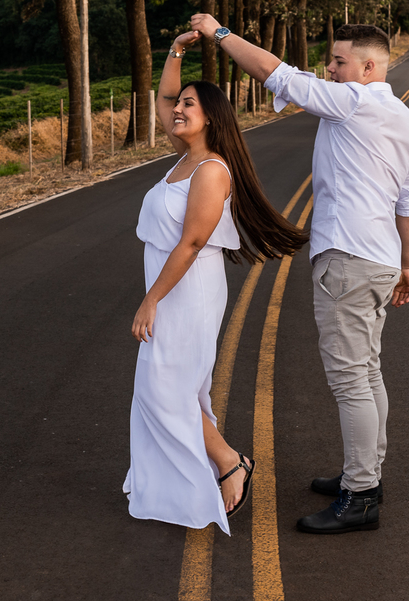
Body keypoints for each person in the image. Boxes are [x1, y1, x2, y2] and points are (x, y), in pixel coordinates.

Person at [189, 14, 409, 535]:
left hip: (347, 259)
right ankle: (367, 475)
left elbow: (277, 74)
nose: (331, 70)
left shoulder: (354, 102)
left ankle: (361, 494)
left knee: (350, 379)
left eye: (339, 62)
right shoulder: (405, 119)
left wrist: (220, 33)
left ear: (368, 67)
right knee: (367, 372)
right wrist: (407, 264)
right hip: (381, 260)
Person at [124, 30, 309, 534]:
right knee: (170, 387)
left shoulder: (210, 170)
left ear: (211, 118)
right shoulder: (184, 156)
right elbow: (162, 98)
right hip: (172, 285)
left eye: (190, 105)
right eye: (179, 104)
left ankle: (230, 462)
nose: (178, 110)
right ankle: (218, 465)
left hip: (188, 289)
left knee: (167, 388)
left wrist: (150, 301)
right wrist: (176, 52)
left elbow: (190, 243)